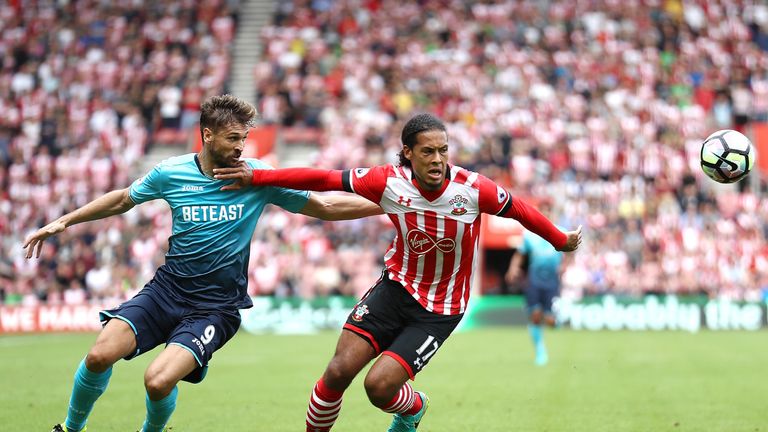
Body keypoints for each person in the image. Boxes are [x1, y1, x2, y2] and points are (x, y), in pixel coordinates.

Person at [22, 94, 382, 432]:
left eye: (244, 138)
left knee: (158, 380)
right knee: (99, 355)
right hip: (166, 291)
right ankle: (70, 427)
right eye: (232, 138)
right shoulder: (170, 173)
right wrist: (65, 220)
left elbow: (327, 207)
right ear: (207, 135)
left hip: (216, 307)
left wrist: (389, 204)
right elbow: (122, 200)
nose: (241, 146)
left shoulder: (256, 176)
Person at [213, 113, 582, 432]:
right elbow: (324, 178)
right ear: (408, 153)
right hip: (395, 288)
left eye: (443, 150)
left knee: (379, 388)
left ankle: (414, 408)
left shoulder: (471, 189)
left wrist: (558, 239)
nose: (437, 160)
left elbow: (518, 209)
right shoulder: (388, 181)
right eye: (427, 151)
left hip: (439, 310)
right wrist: (259, 178)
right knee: (339, 370)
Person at [505, 201, 567, 366]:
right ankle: (540, 351)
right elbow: (520, 254)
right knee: (535, 316)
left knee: (550, 320)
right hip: (534, 280)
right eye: (543, 211)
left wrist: (566, 266)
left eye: (549, 211)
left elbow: (571, 250)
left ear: (553, 213)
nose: (546, 214)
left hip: (552, 281)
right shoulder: (530, 234)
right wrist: (513, 269)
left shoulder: (562, 232)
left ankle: (556, 321)